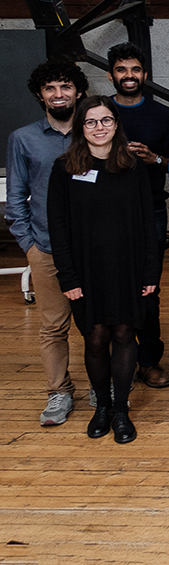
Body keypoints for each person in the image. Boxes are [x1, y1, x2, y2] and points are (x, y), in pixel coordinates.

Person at [47, 96, 158, 444]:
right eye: (91, 122)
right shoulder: (65, 168)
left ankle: (121, 411)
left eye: (106, 120)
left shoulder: (133, 166)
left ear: (116, 124)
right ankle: (102, 408)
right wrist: (68, 276)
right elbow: (58, 225)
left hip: (128, 267)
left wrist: (150, 273)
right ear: (81, 127)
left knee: (125, 334)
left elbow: (147, 222)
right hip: (85, 270)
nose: (99, 128)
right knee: (95, 337)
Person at [7, 59, 86, 426]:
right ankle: (59, 393)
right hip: (46, 248)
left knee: (98, 322)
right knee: (54, 326)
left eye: (65, 86)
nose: (59, 94)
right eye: (51, 88)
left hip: (92, 248)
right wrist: (29, 243)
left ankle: (102, 387)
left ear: (79, 91)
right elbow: (17, 195)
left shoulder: (94, 131)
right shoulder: (23, 138)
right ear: (41, 94)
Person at [107, 42, 169, 389]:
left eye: (135, 69)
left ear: (145, 75)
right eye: (122, 70)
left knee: (148, 290)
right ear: (111, 75)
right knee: (109, 287)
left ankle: (149, 360)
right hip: (106, 214)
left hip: (150, 209)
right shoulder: (98, 111)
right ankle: (118, 358)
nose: (129, 76)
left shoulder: (163, 115)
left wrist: (154, 159)